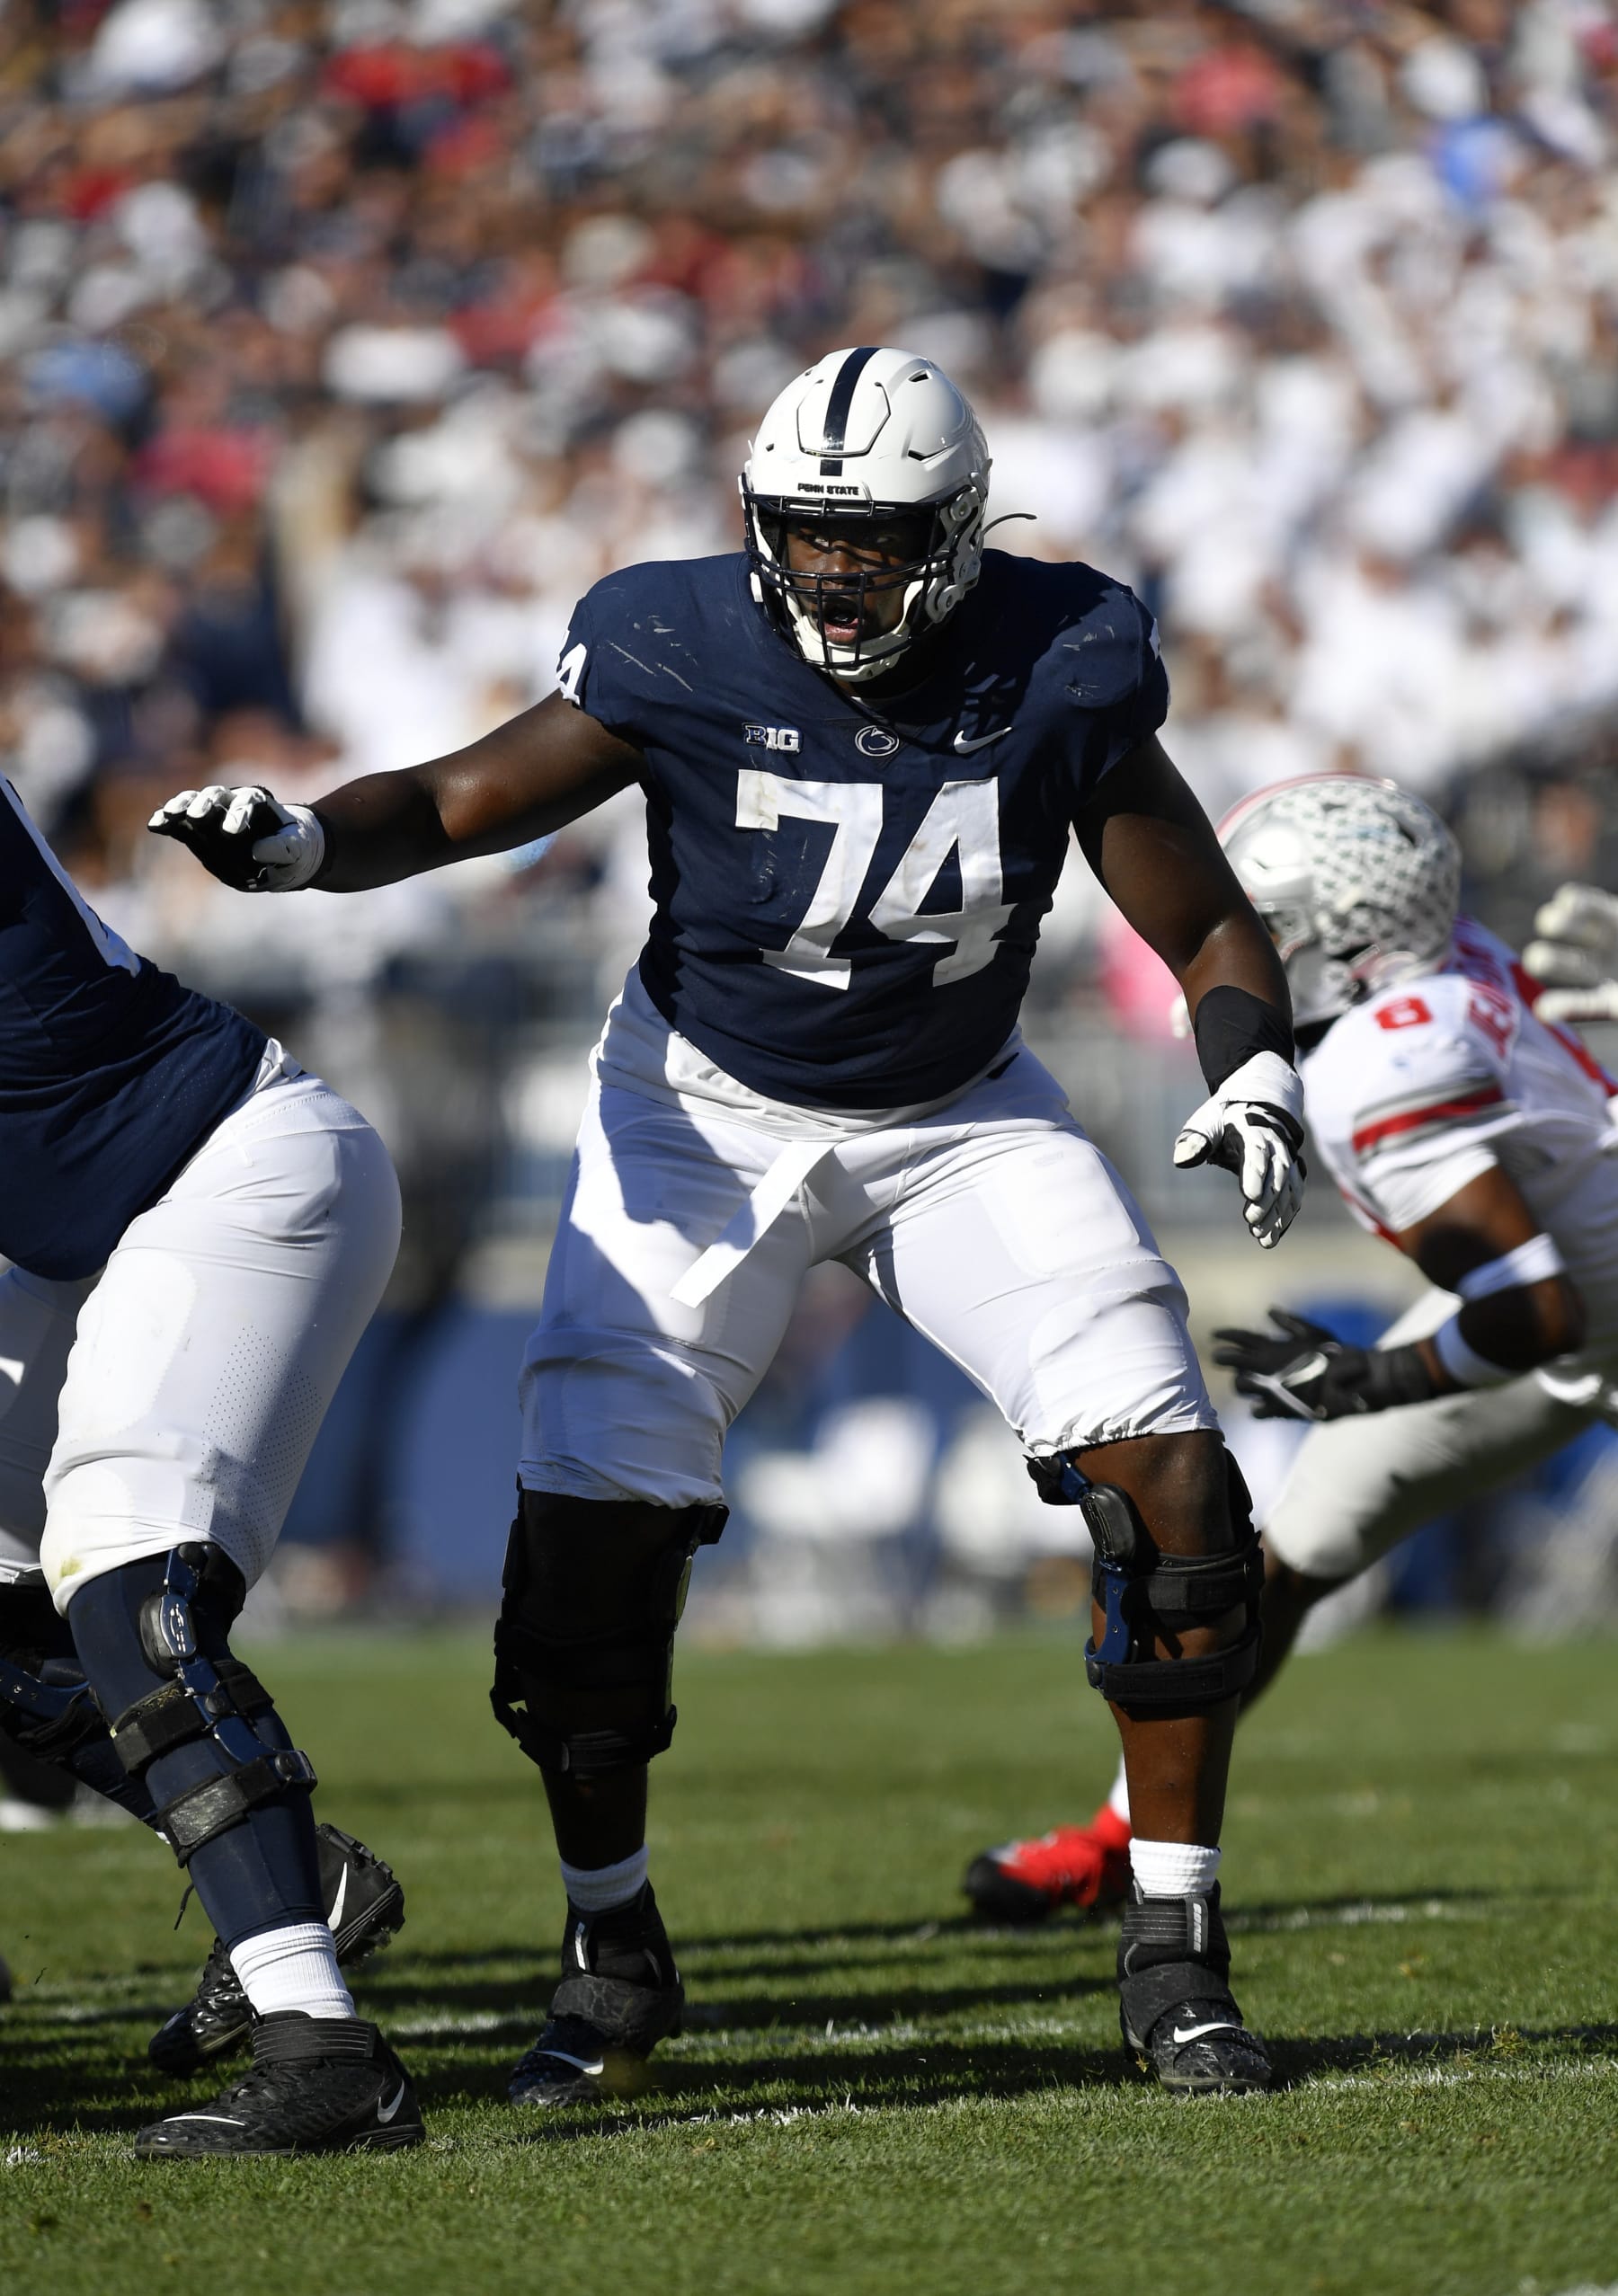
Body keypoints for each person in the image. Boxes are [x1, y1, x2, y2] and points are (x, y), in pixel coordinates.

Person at [152, 345, 1306, 2099]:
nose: (838, 573)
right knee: (581, 1578)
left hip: (959, 1117)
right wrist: (311, 841)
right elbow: (471, 793)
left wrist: (1253, 1067)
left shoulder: (1061, 652)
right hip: (698, 1119)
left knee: (1179, 1497)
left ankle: (1173, 1940)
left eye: (877, 538)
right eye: (809, 535)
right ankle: (613, 1942)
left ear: (963, 529)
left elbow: (1211, 918)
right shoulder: (676, 635)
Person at [965, 776, 1618, 1924]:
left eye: (1272, 927)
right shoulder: (1441, 963)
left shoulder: (1380, 1063)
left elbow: (1539, 1309)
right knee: (1292, 1546)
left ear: (1352, 945)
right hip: (1562, 1309)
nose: (1233, 941)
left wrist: (1378, 1375)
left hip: (1557, 1312)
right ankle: (1125, 1837)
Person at [0, 774, 422, 2154]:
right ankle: (301, 1872)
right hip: (67, 1236)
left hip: (223, 1167)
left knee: (129, 1591)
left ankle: (323, 2048)